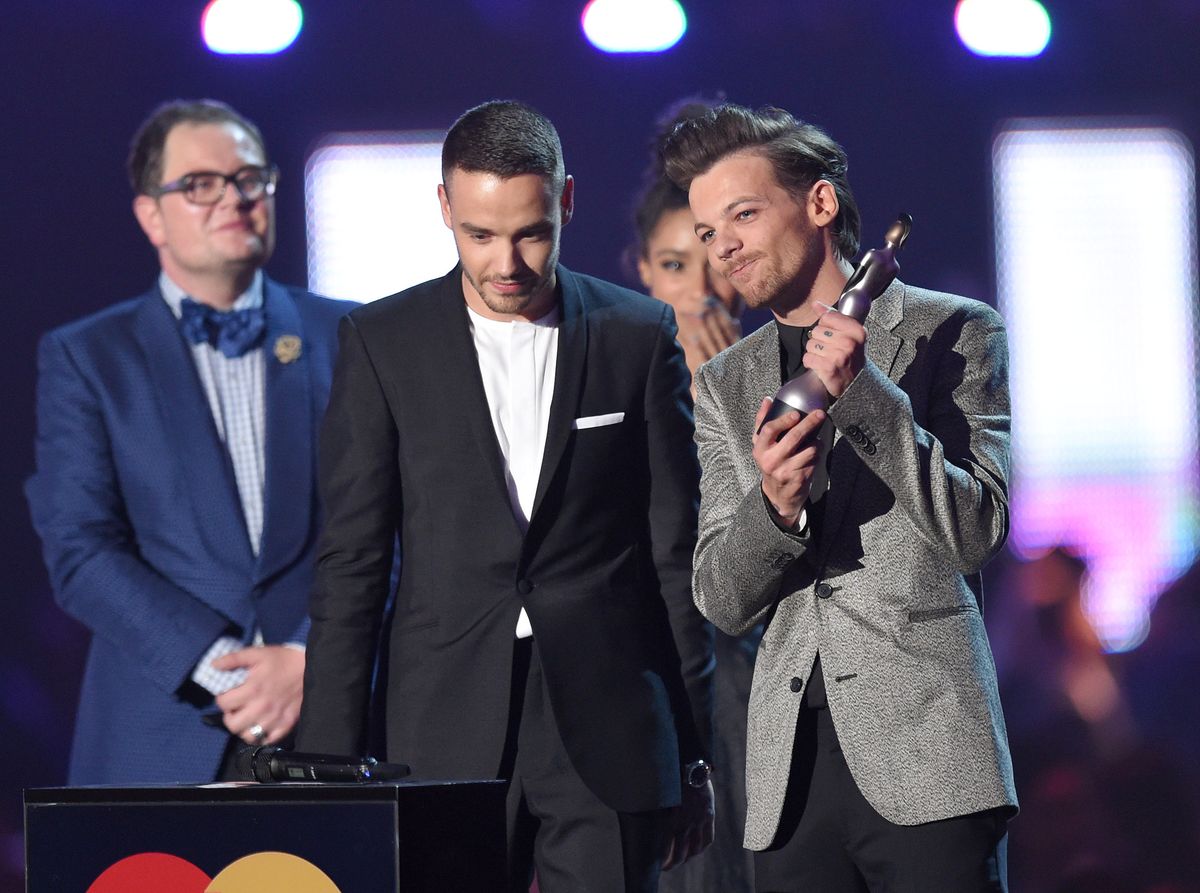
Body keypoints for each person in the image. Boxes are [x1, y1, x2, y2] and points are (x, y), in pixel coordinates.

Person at [295, 100, 715, 892]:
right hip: (439, 727)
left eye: (529, 232)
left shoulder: (637, 333)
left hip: (611, 728)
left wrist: (694, 751)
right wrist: (325, 761)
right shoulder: (382, 342)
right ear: (445, 208)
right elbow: (352, 562)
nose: (506, 262)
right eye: (480, 235)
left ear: (565, 201)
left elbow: (673, 554)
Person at [662, 103, 1018, 892]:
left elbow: (977, 528)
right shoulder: (727, 382)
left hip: (930, 753)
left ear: (819, 204)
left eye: (743, 215)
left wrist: (867, 397)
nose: (727, 249)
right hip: (789, 780)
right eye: (710, 233)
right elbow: (720, 595)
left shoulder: (953, 330)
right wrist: (775, 508)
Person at [25, 99, 352, 784]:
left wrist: (310, 654)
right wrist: (223, 669)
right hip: (160, 730)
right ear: (151, 214)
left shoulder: (354, 335)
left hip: (336, 724)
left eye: (249, 178)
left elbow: (404, 521)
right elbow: (80, 548)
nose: (233, 198)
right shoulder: (88, 355)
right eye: (200, 184)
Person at [631, 105, 755, 893]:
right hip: (655, 685)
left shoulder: (794, 376)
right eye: (675, 266)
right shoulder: (609, 384)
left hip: (757, 683)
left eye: (714, 260)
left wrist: (733, 399)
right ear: (642, 271)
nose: (700, 292)